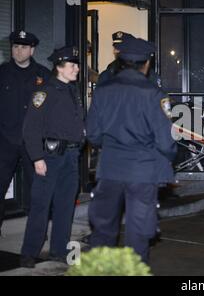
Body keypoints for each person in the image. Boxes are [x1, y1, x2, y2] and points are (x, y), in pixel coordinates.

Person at [86, 36, 177, 264]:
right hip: (142, 173)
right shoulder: (154, 94)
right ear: (146, 64)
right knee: (138, 235)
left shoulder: (103, 90)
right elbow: (166, 142)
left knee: (103, 231)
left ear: (122, 61)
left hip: (109, 169)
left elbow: (93, 134)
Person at [20, 46, 85, 268]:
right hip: (50, 157)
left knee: (66, 206)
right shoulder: (44, 91)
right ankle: (29, 252)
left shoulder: (72, 90)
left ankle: (59, 249)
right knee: (40, 206)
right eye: (72, 65)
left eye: (76, 64)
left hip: (71, 155)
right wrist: (37, 158)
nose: (77, 68)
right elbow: (30, 128)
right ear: (59, 67)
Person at [0, 30, 51, 236]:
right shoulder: (2, 73)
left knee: (37, 190)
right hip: (4, 141)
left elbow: (51, 110)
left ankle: (37, 232)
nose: (18, 51)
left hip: (33, 144)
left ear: (32, 50)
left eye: (23, 47)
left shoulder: (43, 75)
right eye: (15, 46)